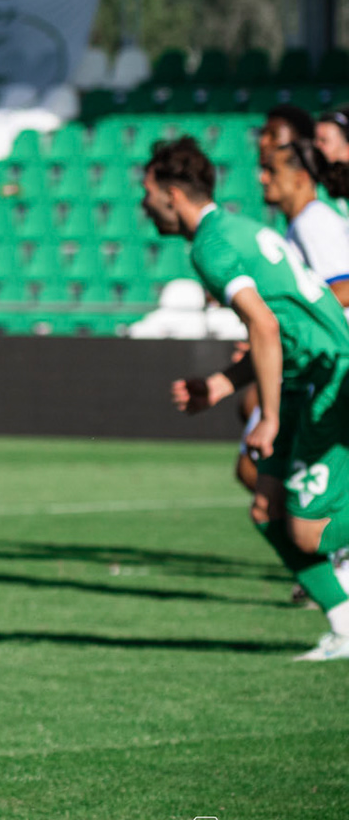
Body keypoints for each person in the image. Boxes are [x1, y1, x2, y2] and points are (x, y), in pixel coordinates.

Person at [147, 136, 349, 662]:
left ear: (172, 194)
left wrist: (269, 417)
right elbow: (281, 325)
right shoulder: (239, 228)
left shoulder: (209, 246)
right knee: (266, 508)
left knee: (308, 533)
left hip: (328, 374)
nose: (144, 206)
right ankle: (345, 626)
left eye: (147, 194)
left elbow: (263, 324)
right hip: (305, 374)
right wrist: (222, 383)